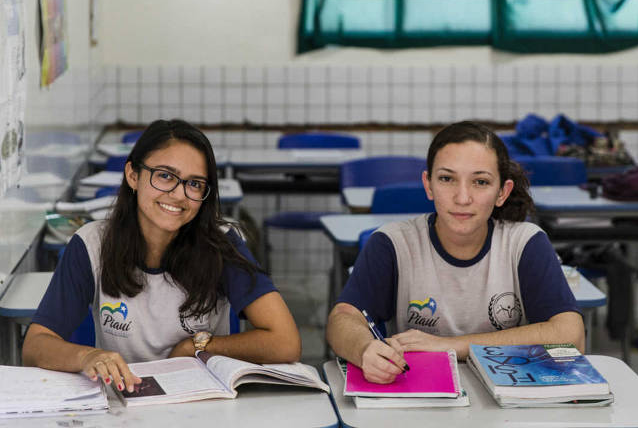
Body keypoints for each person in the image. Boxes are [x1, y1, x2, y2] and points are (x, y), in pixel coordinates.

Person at [23, 119, 301, 393]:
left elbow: (285, 341)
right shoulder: (91, 244)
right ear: (133, 175)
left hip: (203, 400)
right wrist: (87, 357)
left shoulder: (221, 244)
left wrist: (195, 346)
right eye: (165, 176)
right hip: (125, 405)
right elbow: (36, 345)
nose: (179, 194)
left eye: (194, 184)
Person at [326, 120, 584, 384]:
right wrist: (364, 349)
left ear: (502, 193)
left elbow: (571, 335)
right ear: (428, 185)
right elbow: (343, 318)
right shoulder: (393, 242)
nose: (462, 198)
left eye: (480, 182)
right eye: (447, 179)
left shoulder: (524, 243)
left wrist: (449, 345)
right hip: (422, 396)